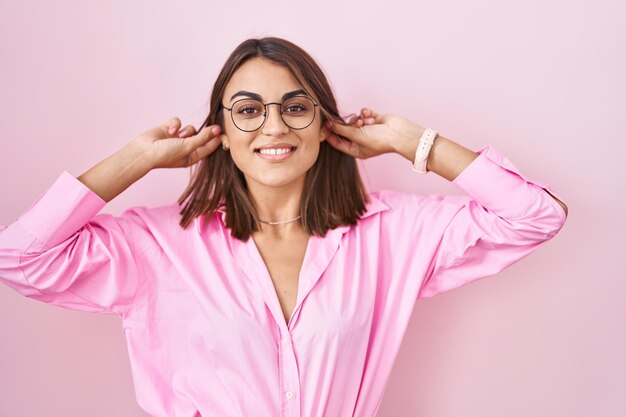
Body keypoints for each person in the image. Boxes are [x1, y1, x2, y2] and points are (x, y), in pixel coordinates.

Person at [0, 36, 567, 417]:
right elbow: (19, 259)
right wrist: (136, 159)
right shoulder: (157, 245)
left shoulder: (393, 233)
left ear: (324, 124)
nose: (274, 126)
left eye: (296, 107)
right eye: (248, 109)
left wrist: (409, 142)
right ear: (220, 129)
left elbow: (535, 216)